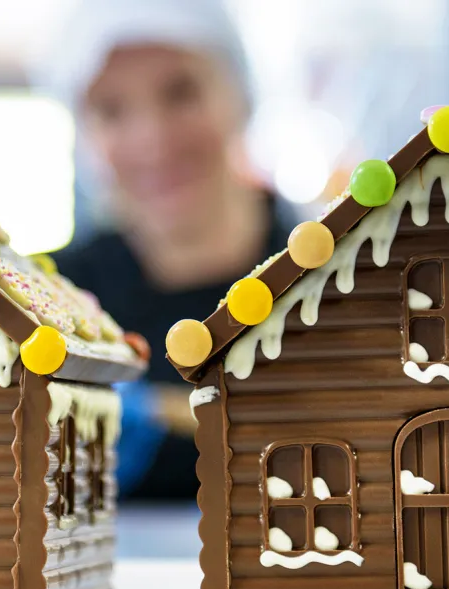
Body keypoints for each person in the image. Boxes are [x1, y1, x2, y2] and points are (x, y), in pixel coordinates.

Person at [36, 0, 295, 500]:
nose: (152, 139)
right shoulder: (51, 300)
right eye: (112, 109)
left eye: (181, 92)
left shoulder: (337, 276)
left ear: (239, 96)